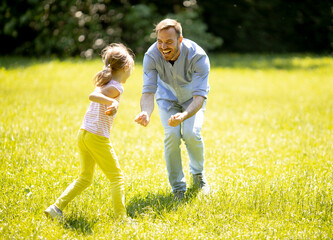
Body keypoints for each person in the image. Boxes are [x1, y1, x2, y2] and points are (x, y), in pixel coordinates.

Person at [45, 43, 135, 220]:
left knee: (85, 178)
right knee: (117, 177)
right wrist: (113, 103)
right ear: (125, 67)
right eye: (131, 68)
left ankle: (56, 208)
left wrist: (111, 103)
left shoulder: (106, 82)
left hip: (84, 134)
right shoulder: (116, 87)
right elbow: (93, 96)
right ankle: (121, 218)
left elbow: (98, 94)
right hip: (97, 137)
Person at [134, 19, 210, 201]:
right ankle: (178, 188)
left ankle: (198, 176)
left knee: (191, 133)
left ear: (180, 40)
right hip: (167, 99)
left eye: (169, 42)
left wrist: (184, 115)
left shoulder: (197, 56)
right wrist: (145, 112)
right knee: (171, 135)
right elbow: (148, 91)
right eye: (160, 41)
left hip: (192, 100)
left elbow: (199, 97)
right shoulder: (151, 56)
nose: (163, 46)